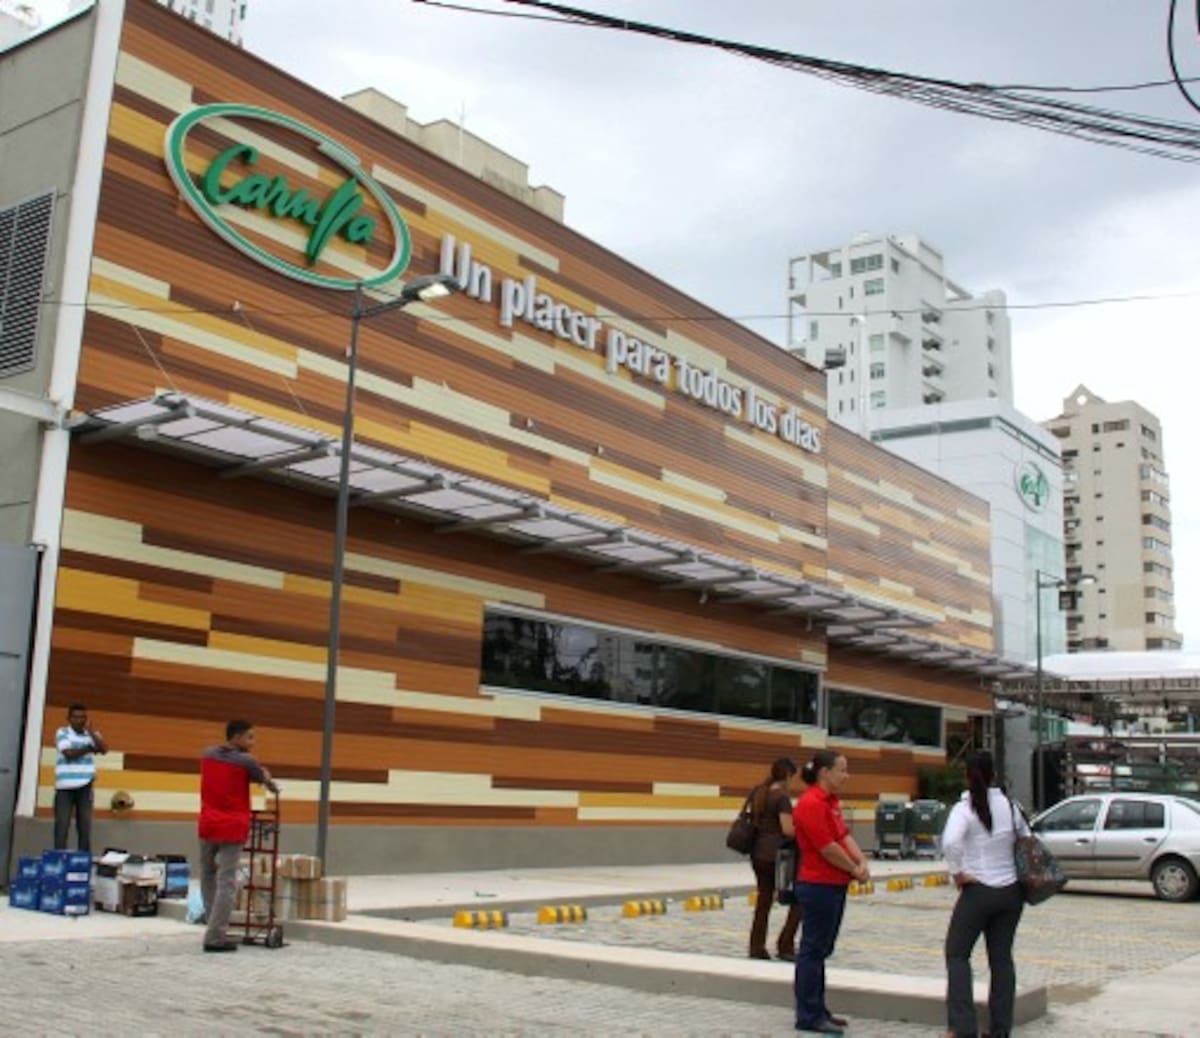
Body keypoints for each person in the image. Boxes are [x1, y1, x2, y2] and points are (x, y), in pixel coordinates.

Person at [942, 750, 1027, 1038]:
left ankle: (963, 1028)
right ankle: (1000, 1029)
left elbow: (951, 842)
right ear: (994, 775)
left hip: (978, 891)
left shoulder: (964, 808)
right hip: (1011, 893)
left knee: (956, 954)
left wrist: (958, 873)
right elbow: (1026, 840)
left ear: (968, 775)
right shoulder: (1011, 806)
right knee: (1002, 960)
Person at [792, 750, 869, 1036]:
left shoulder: (832, 803)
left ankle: (818, 1008)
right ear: (824, 772)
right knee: (812, 950)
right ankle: (808, 1014)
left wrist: (861, 861)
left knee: (822, 949)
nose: (846, 776)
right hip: (818, 885)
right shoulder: (811, 803)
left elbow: (843, 836)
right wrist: (853, 868)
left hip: (835, 884)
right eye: (842, 770)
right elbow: (828, 848)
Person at [198, 719, 278, 953]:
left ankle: (212, 925)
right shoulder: (246, 760)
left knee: (207, 874)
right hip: (232, 826)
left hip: (207, 824)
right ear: (236, 737)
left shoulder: (208, 754)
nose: (253, 743)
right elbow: (263, 779)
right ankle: (215, 936)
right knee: (227, 881)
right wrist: (268, 778)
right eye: (250, 737)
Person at [747, 757, 804, 961]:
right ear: (788, 775)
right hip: (778, 856)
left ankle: (756, 946)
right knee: (797, 898)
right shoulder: (781, 798)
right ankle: (785, 944)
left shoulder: (758, 792)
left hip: (757, 854)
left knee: (764, 901)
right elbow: (788, 829)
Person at [54, 703, 108, 852]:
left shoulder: (91, 734)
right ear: (69, 718)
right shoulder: (62, 732)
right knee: (62, 825)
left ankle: (82, 859)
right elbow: (69, 754)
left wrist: (91, 733)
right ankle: (59, 858)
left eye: (83, 717)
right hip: (65, 787)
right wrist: (89, 749)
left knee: (84, 826)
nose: (80, 720)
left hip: (85, 786)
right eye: (76, 717)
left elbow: (104, 749)